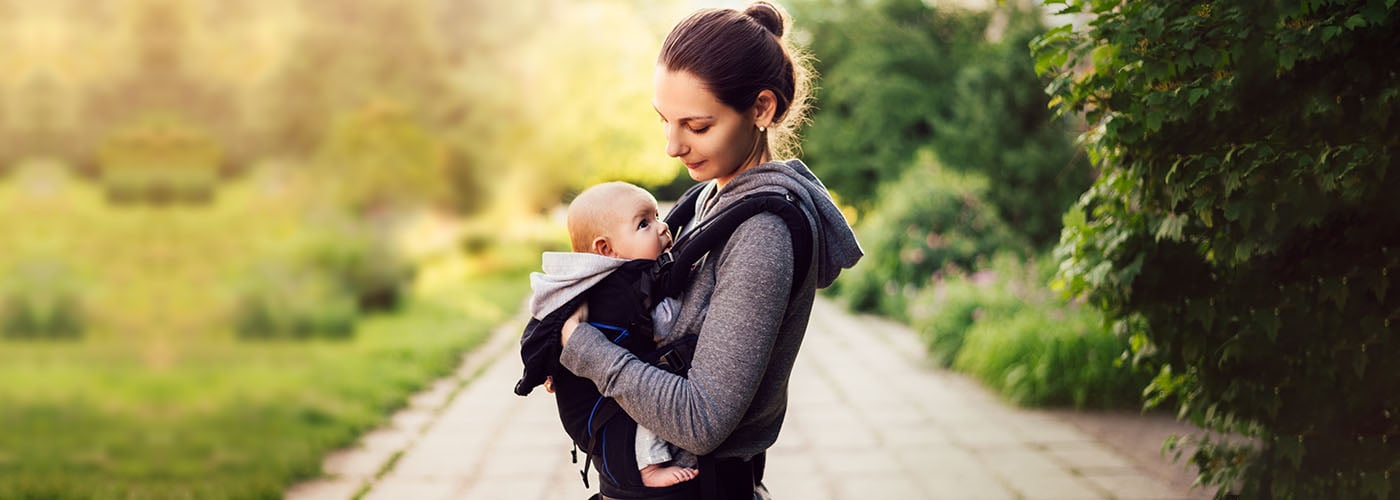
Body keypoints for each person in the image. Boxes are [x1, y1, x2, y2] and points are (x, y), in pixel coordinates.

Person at [559, 2, 863, 499]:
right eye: (665, 120)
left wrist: (588, 353)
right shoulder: (705, 199)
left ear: (762, 109)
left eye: (696, 126)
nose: (672, 147)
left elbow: (702, 421)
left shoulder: (762, 232)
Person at [525, 181, 699, 488]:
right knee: (645, 403)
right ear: (606, 249)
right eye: (644, 223)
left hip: (597, 388)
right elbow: (666, 324)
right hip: (596, 408)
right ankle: (648, 466)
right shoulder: (616, 291)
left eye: (657, 215)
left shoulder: (614, 278)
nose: (662, 228)